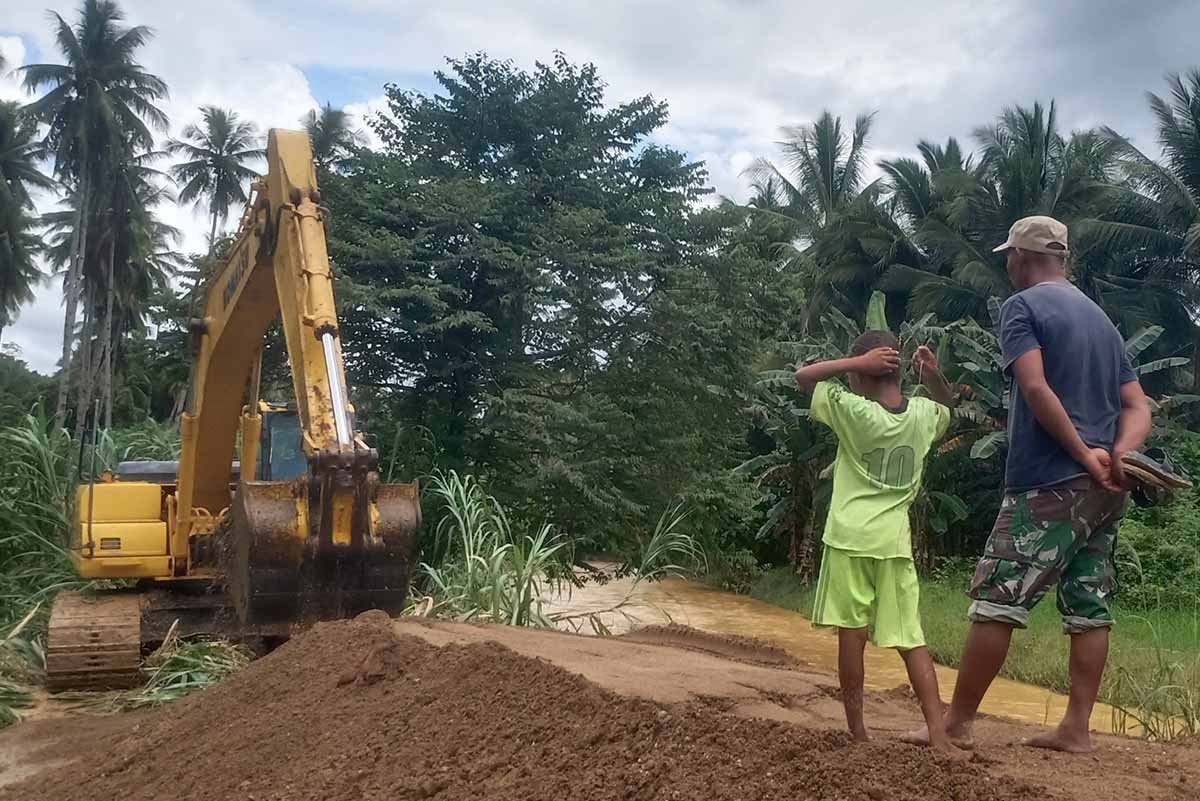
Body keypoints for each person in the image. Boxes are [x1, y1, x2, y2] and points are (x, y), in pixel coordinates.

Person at [907, 215, 1151, 754]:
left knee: (998, 597)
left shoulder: (1024, 307)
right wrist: (1119, 455)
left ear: (1022, 256)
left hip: (1047, 481)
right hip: (1107, 488)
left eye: (1008, 257)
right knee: (1089, 602)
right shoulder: (1102, 321)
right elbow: (1137, 405)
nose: (1006, 265)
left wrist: (1082, 454)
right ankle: (1076, 728)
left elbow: (1036, 387)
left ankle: (956, 723)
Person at [795, 332, 961, 755]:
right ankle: (939, 736)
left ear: (864, 374)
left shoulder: (853, 411)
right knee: (912, 639)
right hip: (894, 544)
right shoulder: (923, 415)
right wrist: (934, 373)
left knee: (851, 638)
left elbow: (804, 376)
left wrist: (854, 363)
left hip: (849, 538)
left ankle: (859, 733)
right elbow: (947, 405)